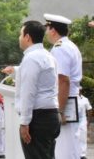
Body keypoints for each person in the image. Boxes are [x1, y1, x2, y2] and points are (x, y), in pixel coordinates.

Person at [2, 20, 60, 159]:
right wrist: (16, 70)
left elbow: (29, 92)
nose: (19, 38)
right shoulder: (47, 55)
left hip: (37, 118)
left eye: (20, 34)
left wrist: (24, 123)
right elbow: (43, 80)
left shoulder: (31, 58)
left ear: (27, 37)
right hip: (50, 115)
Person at [46, 13, 83, 159]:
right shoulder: (69, 45)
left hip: (66, 102)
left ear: (53, 30)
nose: (46, 33)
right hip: (71, 99)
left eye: (47, 29)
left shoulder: (60, 48)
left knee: (64, 150)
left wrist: (60, 111)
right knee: (71, 148)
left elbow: (63, 80)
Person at [78, 89, 92, 159]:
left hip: (82, 121)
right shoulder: (71, 98)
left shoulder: (85, 99)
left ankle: (82, 155)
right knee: (75, 137)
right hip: (73, 121)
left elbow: (89, 109)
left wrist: (88, 121)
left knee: (82, 138)